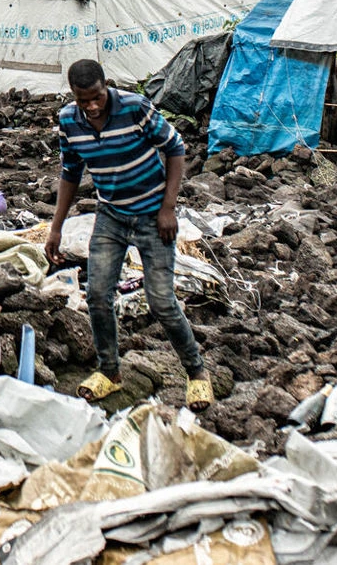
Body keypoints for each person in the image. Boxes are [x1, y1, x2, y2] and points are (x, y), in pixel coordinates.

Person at [44, 57, 212, 409]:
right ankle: (110, 372)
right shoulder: (68, 121)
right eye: (82, 99)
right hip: (111, 216)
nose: (90, 106)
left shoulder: (135, 108)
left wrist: (168, 208)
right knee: (99, 296)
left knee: (162, 303)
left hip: (152, 215)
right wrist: (55, 227)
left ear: (107, 87)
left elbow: (175, 148)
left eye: (97, 97)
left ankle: (197, 373)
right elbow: (70, 173)